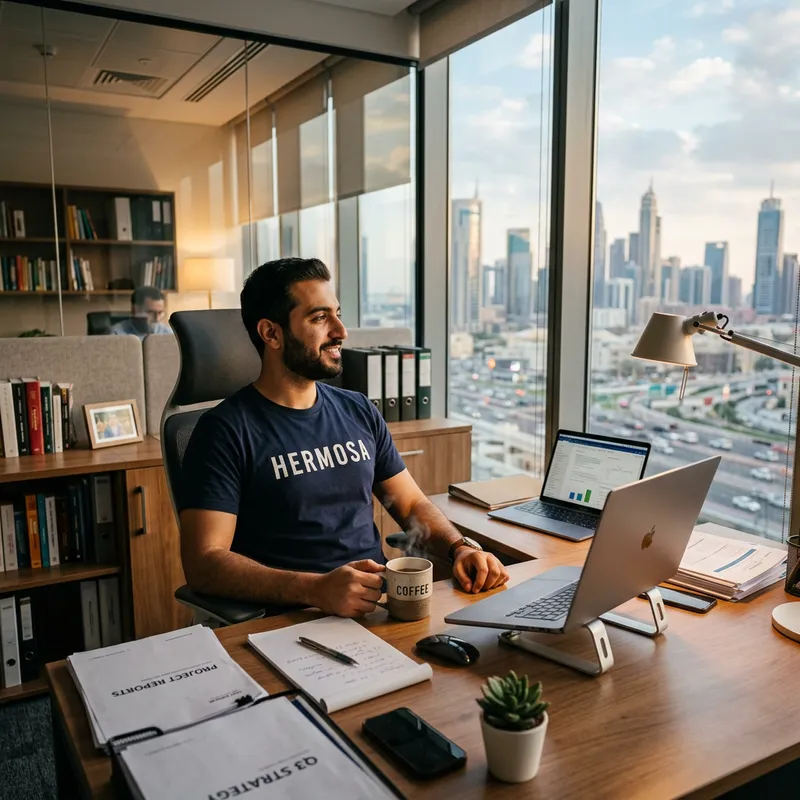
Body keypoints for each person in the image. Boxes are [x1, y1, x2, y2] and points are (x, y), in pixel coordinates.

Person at [179, 257, 510, 618]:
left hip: (379, 608)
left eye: (337, 313)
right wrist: (315, 589)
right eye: (319, 318)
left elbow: (412, 505)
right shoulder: (224, 431)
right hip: (289, 621)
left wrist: (459, 548)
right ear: (271, 333)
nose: (341, 331)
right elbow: (204, 563)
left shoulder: (358, 410)